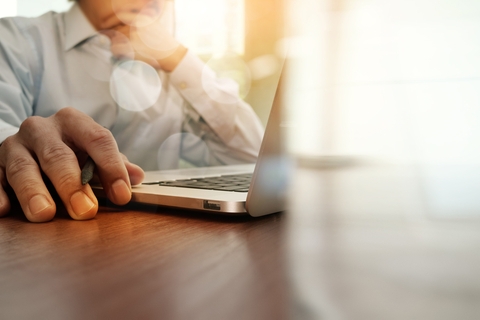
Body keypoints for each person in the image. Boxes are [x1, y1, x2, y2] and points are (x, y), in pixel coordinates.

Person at [0, 0, 264, 222]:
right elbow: (6, 139)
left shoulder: (172, 67)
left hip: (157, 233)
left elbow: (253, 157)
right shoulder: (14, 41)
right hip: (54, 234)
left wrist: (181, 60)